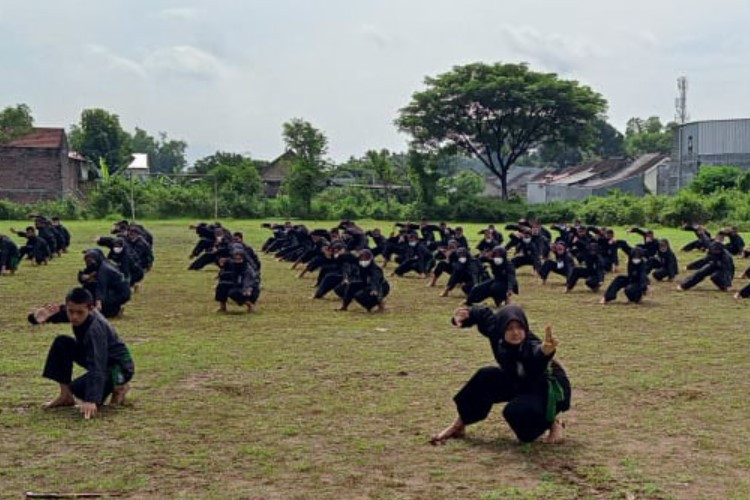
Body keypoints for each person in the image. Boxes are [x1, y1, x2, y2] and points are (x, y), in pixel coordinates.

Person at [431, 304, 570, 445]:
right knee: (485, 376)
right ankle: (458, 426)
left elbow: (536, 353)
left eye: (520, 327)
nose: (515, 333)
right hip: (517, 379)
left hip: (545, 387)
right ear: (501, 328)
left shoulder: (530, 344)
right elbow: (483, 313)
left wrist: (545, 351)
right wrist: (467, 314)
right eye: (509, 328)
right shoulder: (495, 330)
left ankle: (553, 423)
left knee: (516, 413)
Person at [29, 287, 134, 419]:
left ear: (91, 309)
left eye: (79, 313)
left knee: (79, 389)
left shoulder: (95, 329)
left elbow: (97, 364)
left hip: (118, 367)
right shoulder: (75, 310)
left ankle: (119, 385)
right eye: (70, 311)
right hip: (98, 358)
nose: (74, 316)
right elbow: (50, 316)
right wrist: (36, 318)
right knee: (62, 343)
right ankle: (65, 396)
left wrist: (91, 399)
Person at [77, 249, 132, 318]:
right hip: (113, 288)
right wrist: (84, 277)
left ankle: (115, 311)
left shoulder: (104, 270)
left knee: (102, 302)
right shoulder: (100, 264)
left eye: (90, 260)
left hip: (121, 292)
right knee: (89, 287)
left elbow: (101, 286)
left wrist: (98, 302)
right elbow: (84, 275)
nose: (88, 262)